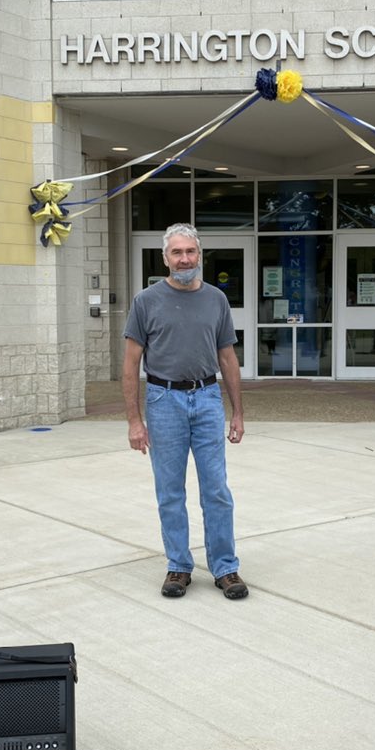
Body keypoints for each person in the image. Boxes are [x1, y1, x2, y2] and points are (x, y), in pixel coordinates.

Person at [122, 222, 248, 600]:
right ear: (165, 258)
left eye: (190, 251)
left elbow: (228, 358)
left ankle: (226, 568)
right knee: (170, 492)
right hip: (163, 401)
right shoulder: (146, 301)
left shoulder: (216, 300)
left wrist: (237, 412)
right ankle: (178, 566)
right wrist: (134, 420)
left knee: (217, 490)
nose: (184, 258)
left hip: (207, 399)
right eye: (176, 252)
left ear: (200, 256)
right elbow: (130, 365)